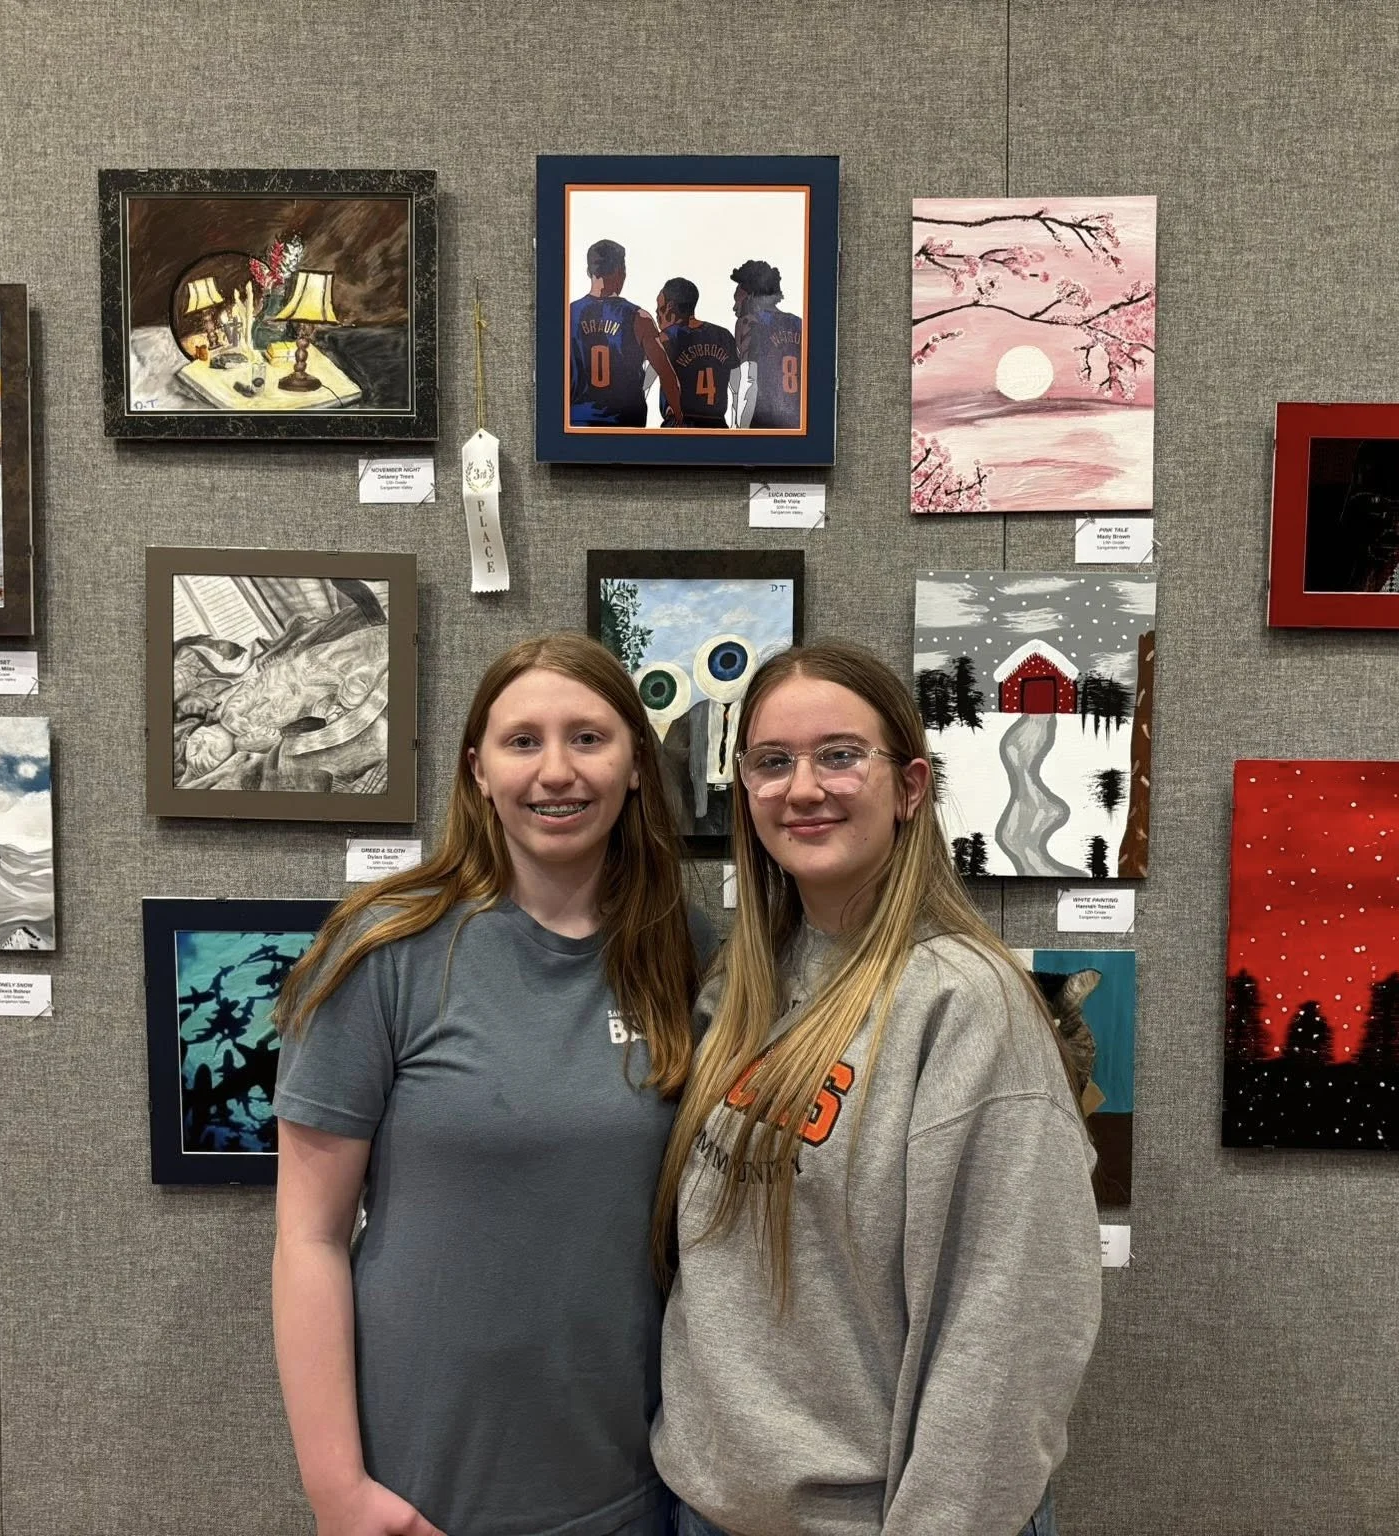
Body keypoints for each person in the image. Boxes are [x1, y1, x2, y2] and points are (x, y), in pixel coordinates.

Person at [651, 640, 1100, 1536]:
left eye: (840, 756)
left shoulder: (966, 1006)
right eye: (772, 763)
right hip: (708, 1506)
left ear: (910, 788)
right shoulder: (744, 984)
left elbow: (1010, 1339)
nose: (803, 788)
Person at [270, 632, 709, 1536]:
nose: (557, 771)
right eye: (523, 741)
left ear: (635, 765)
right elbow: (306, 1237)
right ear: (477, 769)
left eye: (589, 738)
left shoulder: (698, 954)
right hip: (424, 1489)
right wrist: (337, 1492)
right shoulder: (383, 952)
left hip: (637, 1483)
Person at [570, 239, 684, 427]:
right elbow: (667, 375)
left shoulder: (567, 315)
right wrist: (679, 415)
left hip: (579, 424)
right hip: (626, 426)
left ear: (589, 272)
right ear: (620, 270)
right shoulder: (639, 318)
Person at [727, 259, 804, 430]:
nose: (734, 307)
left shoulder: (749, 322)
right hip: (797, 421)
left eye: (737, 300)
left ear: (751, 297)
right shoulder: (801, 324)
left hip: (762, 421)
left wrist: (739, 429)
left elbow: (748, 379)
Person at [654, 278, 737, 428]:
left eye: (659, 308)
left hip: (681, 424)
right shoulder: (724, 335)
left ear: (670, 308)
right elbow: (737, 386)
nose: (656, 314)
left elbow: (643, 384)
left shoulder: (667, 338)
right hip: (717, 424)